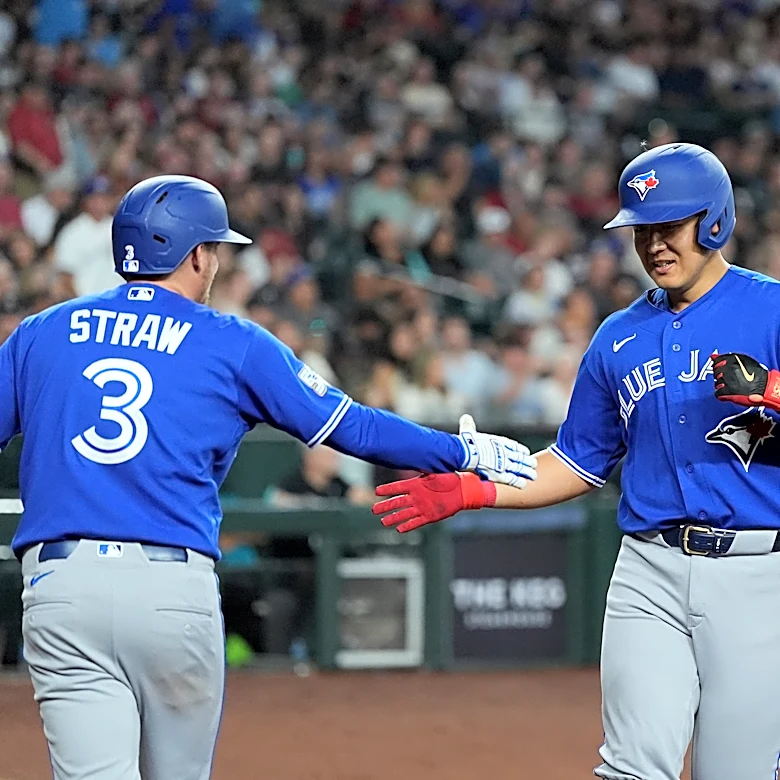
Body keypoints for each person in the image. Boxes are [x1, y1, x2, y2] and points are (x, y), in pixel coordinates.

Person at [2, 174, 536, 780]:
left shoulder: (40, 332)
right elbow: (352, 427)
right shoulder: (233, 343)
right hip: (169, 591)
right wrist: (459, 451)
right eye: (216, 250)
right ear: (198, 254)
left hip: (62, 587)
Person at [373, 142, 780, 780]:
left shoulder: (770, 310)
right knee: (630, 767)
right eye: (641, 231)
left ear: (715, 221)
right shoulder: (617, 336)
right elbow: (574, 462)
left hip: (759, 574)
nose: (654, 246)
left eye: (668, 228)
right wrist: (478, 490)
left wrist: (776, 393)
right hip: (650, 570)